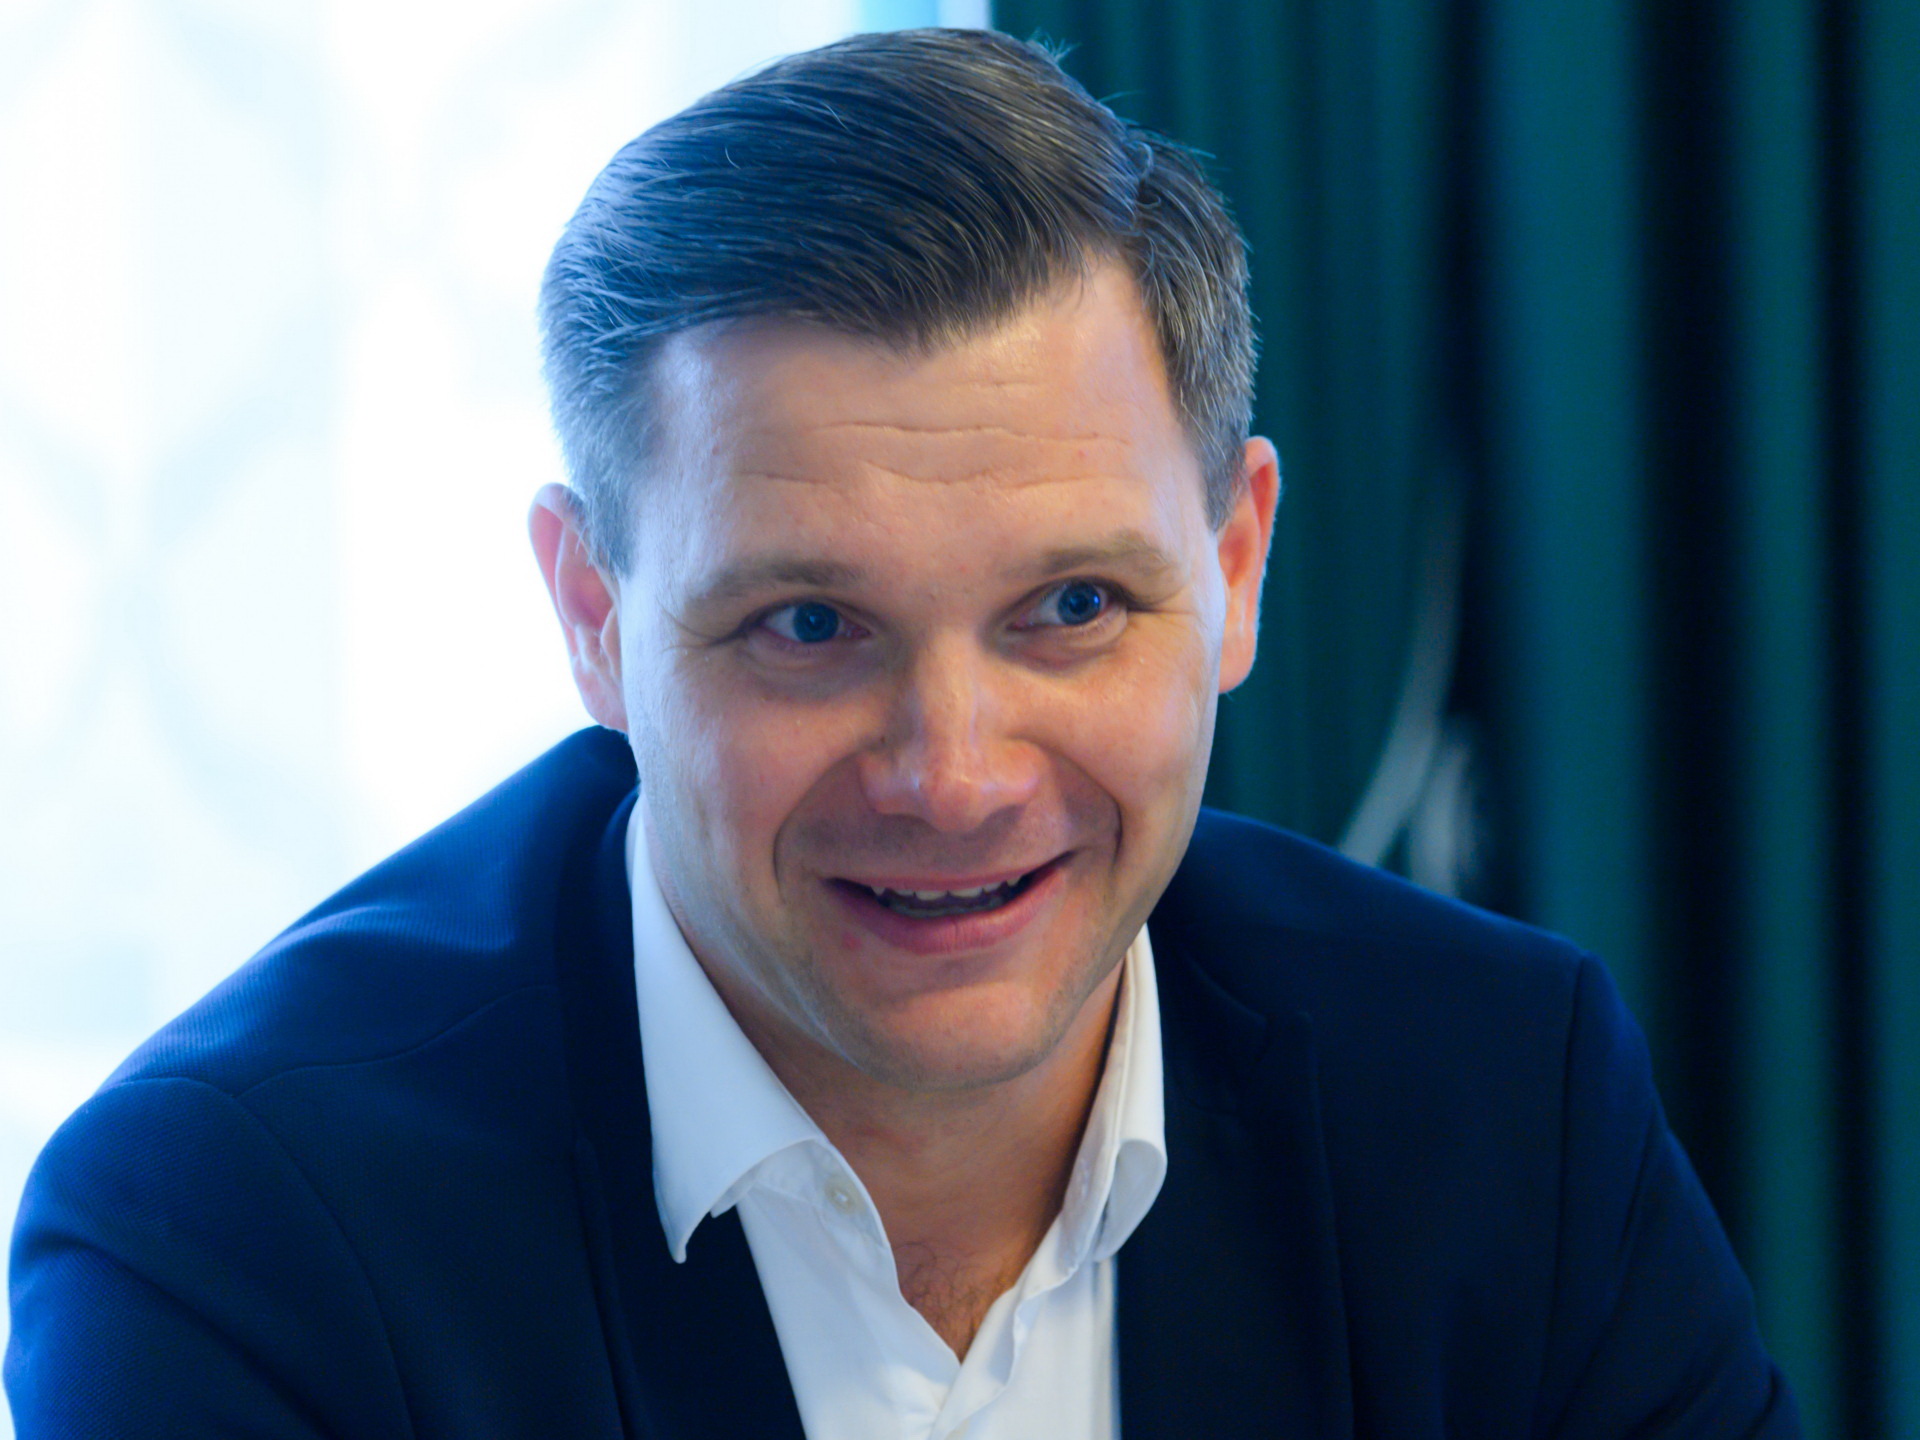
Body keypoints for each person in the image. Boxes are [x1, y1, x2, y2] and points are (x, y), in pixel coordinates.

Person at [5, 27, 1797, 1440]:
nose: (954, 776)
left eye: (1071, 607)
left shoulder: (1499, 1097)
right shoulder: (229, 1230)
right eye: (809, 626)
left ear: (1236, 566)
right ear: (594, 617)